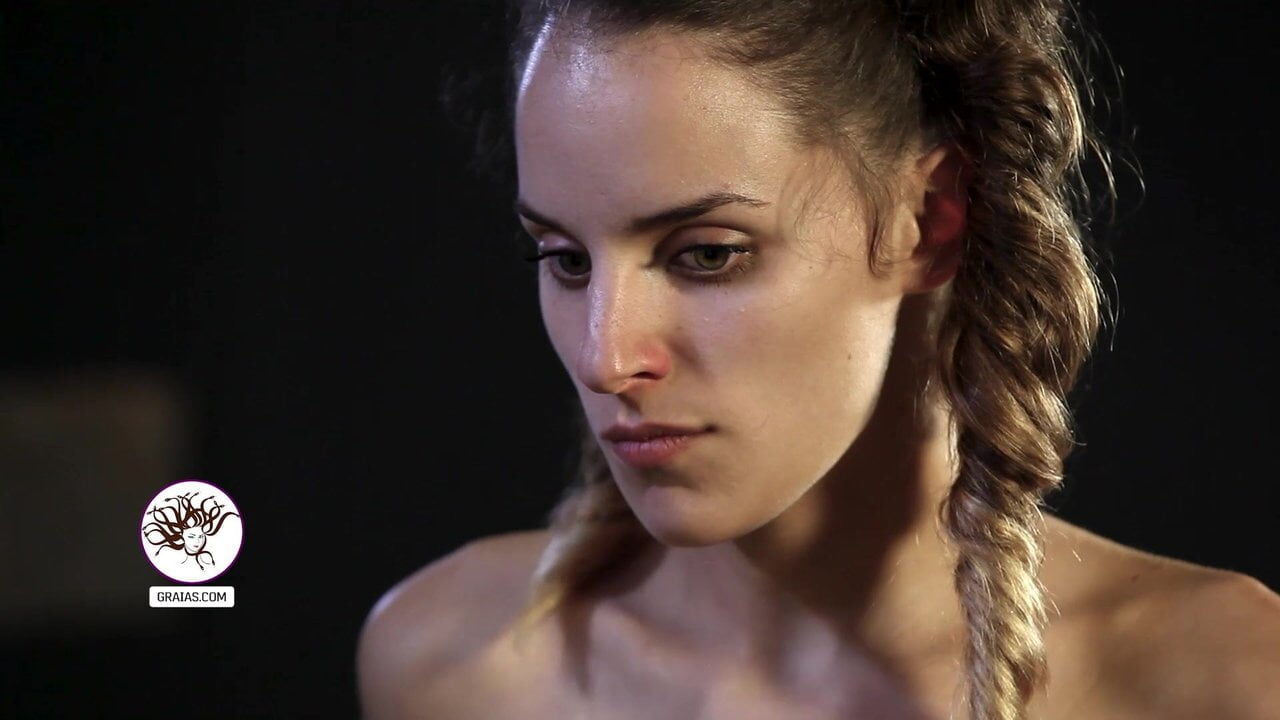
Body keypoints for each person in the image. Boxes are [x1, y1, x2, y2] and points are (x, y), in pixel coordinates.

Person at [357, 1, 1280, 718]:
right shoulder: (452, 662)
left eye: (707, 254)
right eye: (565, 260)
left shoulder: (1226, 681)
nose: (606, 357)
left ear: (930, 219)